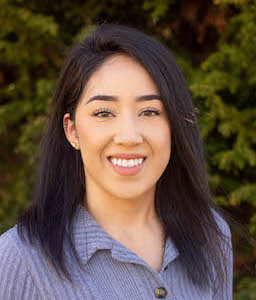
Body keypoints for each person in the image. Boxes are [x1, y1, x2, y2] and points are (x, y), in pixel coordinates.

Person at [0, 22, 235, 299]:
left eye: (149, 111)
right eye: (103, 113)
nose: (129, 136)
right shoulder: (20, 258)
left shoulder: (211, 236)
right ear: (71, 130)